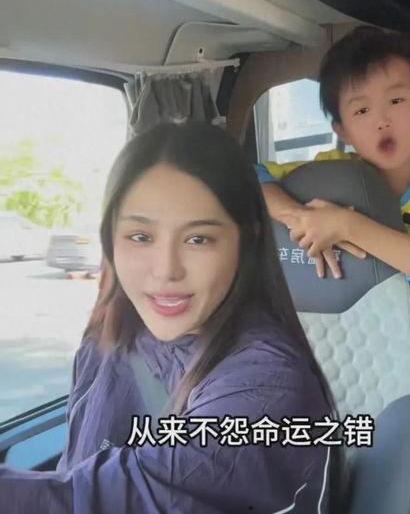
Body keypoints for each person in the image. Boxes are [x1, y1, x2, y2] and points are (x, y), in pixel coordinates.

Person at [0, 122, 346, 513]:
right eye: (140, 237)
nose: (166, 270)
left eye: (198, 239)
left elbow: (115, 498)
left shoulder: (269, 384)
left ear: (246, 240)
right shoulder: (111, 331)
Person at [256, 26, 410, 281]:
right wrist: (301, 218)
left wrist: (345, 225)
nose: (382, 121)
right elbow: (247, 178)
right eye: (362, 110)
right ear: (343, 131)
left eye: (396, 101)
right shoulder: (330, 170)